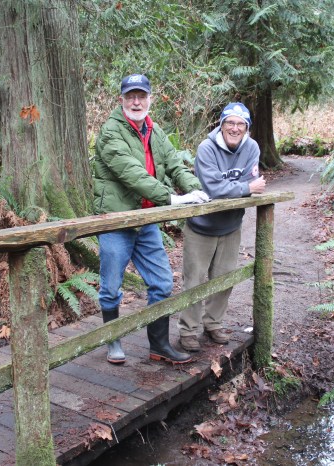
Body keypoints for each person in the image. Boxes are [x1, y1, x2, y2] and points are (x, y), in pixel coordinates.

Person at [93, 73, 211, 365]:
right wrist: (172, 199)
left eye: (141, 96)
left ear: (150, 99)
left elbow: (174, 165)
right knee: (110, 287)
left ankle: (158, 346)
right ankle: (113, 341)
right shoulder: (110, 131)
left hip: (146, 220)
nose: (136, 101)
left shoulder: (154, 130)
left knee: (161, 283)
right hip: (117, 222)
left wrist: (196, 191)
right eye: (130, 96)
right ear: (121, 100)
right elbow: (131, 173)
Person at [178, 102, 266, 352]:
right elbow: (214, 189)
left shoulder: (252, 147)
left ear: (246, 127)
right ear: (221, 124)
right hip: (201, 226)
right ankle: (188, 330)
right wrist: (246, 189)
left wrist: (242, 188)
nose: (235, 128)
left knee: (225, 278)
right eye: (230, 123)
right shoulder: (206, 148)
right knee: (194, 280)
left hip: (231, 225)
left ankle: (213, 323)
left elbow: (251, 179)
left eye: (240, 124)